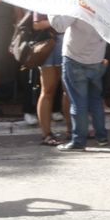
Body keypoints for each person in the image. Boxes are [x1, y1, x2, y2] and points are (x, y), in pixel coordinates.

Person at [48, 13, 108, 151]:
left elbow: (59, 26)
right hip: (97, 58)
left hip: (75, 59)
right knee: (96, 100)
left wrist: (50, 8)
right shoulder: (104, 1)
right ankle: (102, 137)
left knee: (78, 103)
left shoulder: (79, 1)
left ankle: (79, 141)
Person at [31, 12, 66, 146]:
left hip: (68, 42)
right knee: (48, 90)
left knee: (68, 90)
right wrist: (61, 22)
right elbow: (37, 24)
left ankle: (72, 131)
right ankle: (46, 134)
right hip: (49, 43)